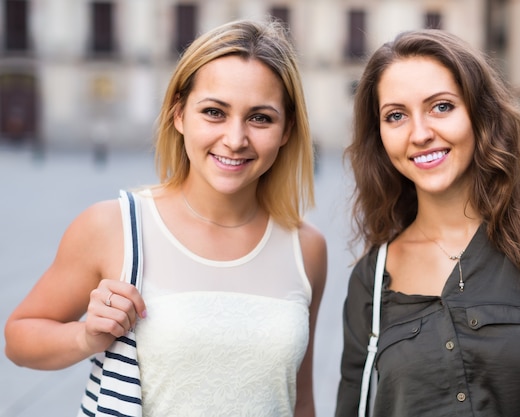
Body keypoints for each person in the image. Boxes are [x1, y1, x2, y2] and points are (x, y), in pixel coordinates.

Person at [5, 19, 327, 417]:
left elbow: (301, 399)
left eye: (260, 118)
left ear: (287, 130)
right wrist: (85, 336)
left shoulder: (306, 248)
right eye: (214, 112)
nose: (235, 138)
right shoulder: (114, 226)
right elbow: (18, 338)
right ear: (179, 115)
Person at [335, 29, 520, 417]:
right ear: (380, 136)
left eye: (441, 107)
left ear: (479, 114)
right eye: (396, 115)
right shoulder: (373, 277)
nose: (420, 134)